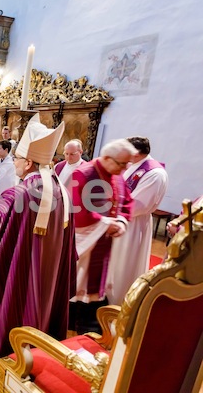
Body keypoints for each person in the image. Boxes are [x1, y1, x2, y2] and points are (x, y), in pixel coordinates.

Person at [0, 114, 76, 379]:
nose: (14, 161)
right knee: (37, 309)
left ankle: (4, 366)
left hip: (18, 279)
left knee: (13, 312)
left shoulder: (22, 193)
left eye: (16, 157)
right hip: (45, 280)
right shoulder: (59, 189)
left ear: (28, 162)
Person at [70, 138, 135, 333]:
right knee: (80, 278)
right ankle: (74, 319)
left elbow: (127, 202)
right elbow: (78, 210)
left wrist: (122, 221)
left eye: (126, 164)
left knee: (99, 277)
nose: (124, 169)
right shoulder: (84, 174)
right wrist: (106, 224)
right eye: (121, 164)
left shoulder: (117, 175)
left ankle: (90, 317)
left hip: (104, 239)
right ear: (107, 158)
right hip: (85, 239)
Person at [106, 136, 168, 305]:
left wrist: (110, 202)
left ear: (135, 154)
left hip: (133, 224)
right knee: (113, 261)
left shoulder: (154, 173)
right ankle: (105, 295)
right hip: (119, 218)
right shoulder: (133, 166)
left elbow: (138, 205)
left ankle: (116, 301)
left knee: (124, 263)